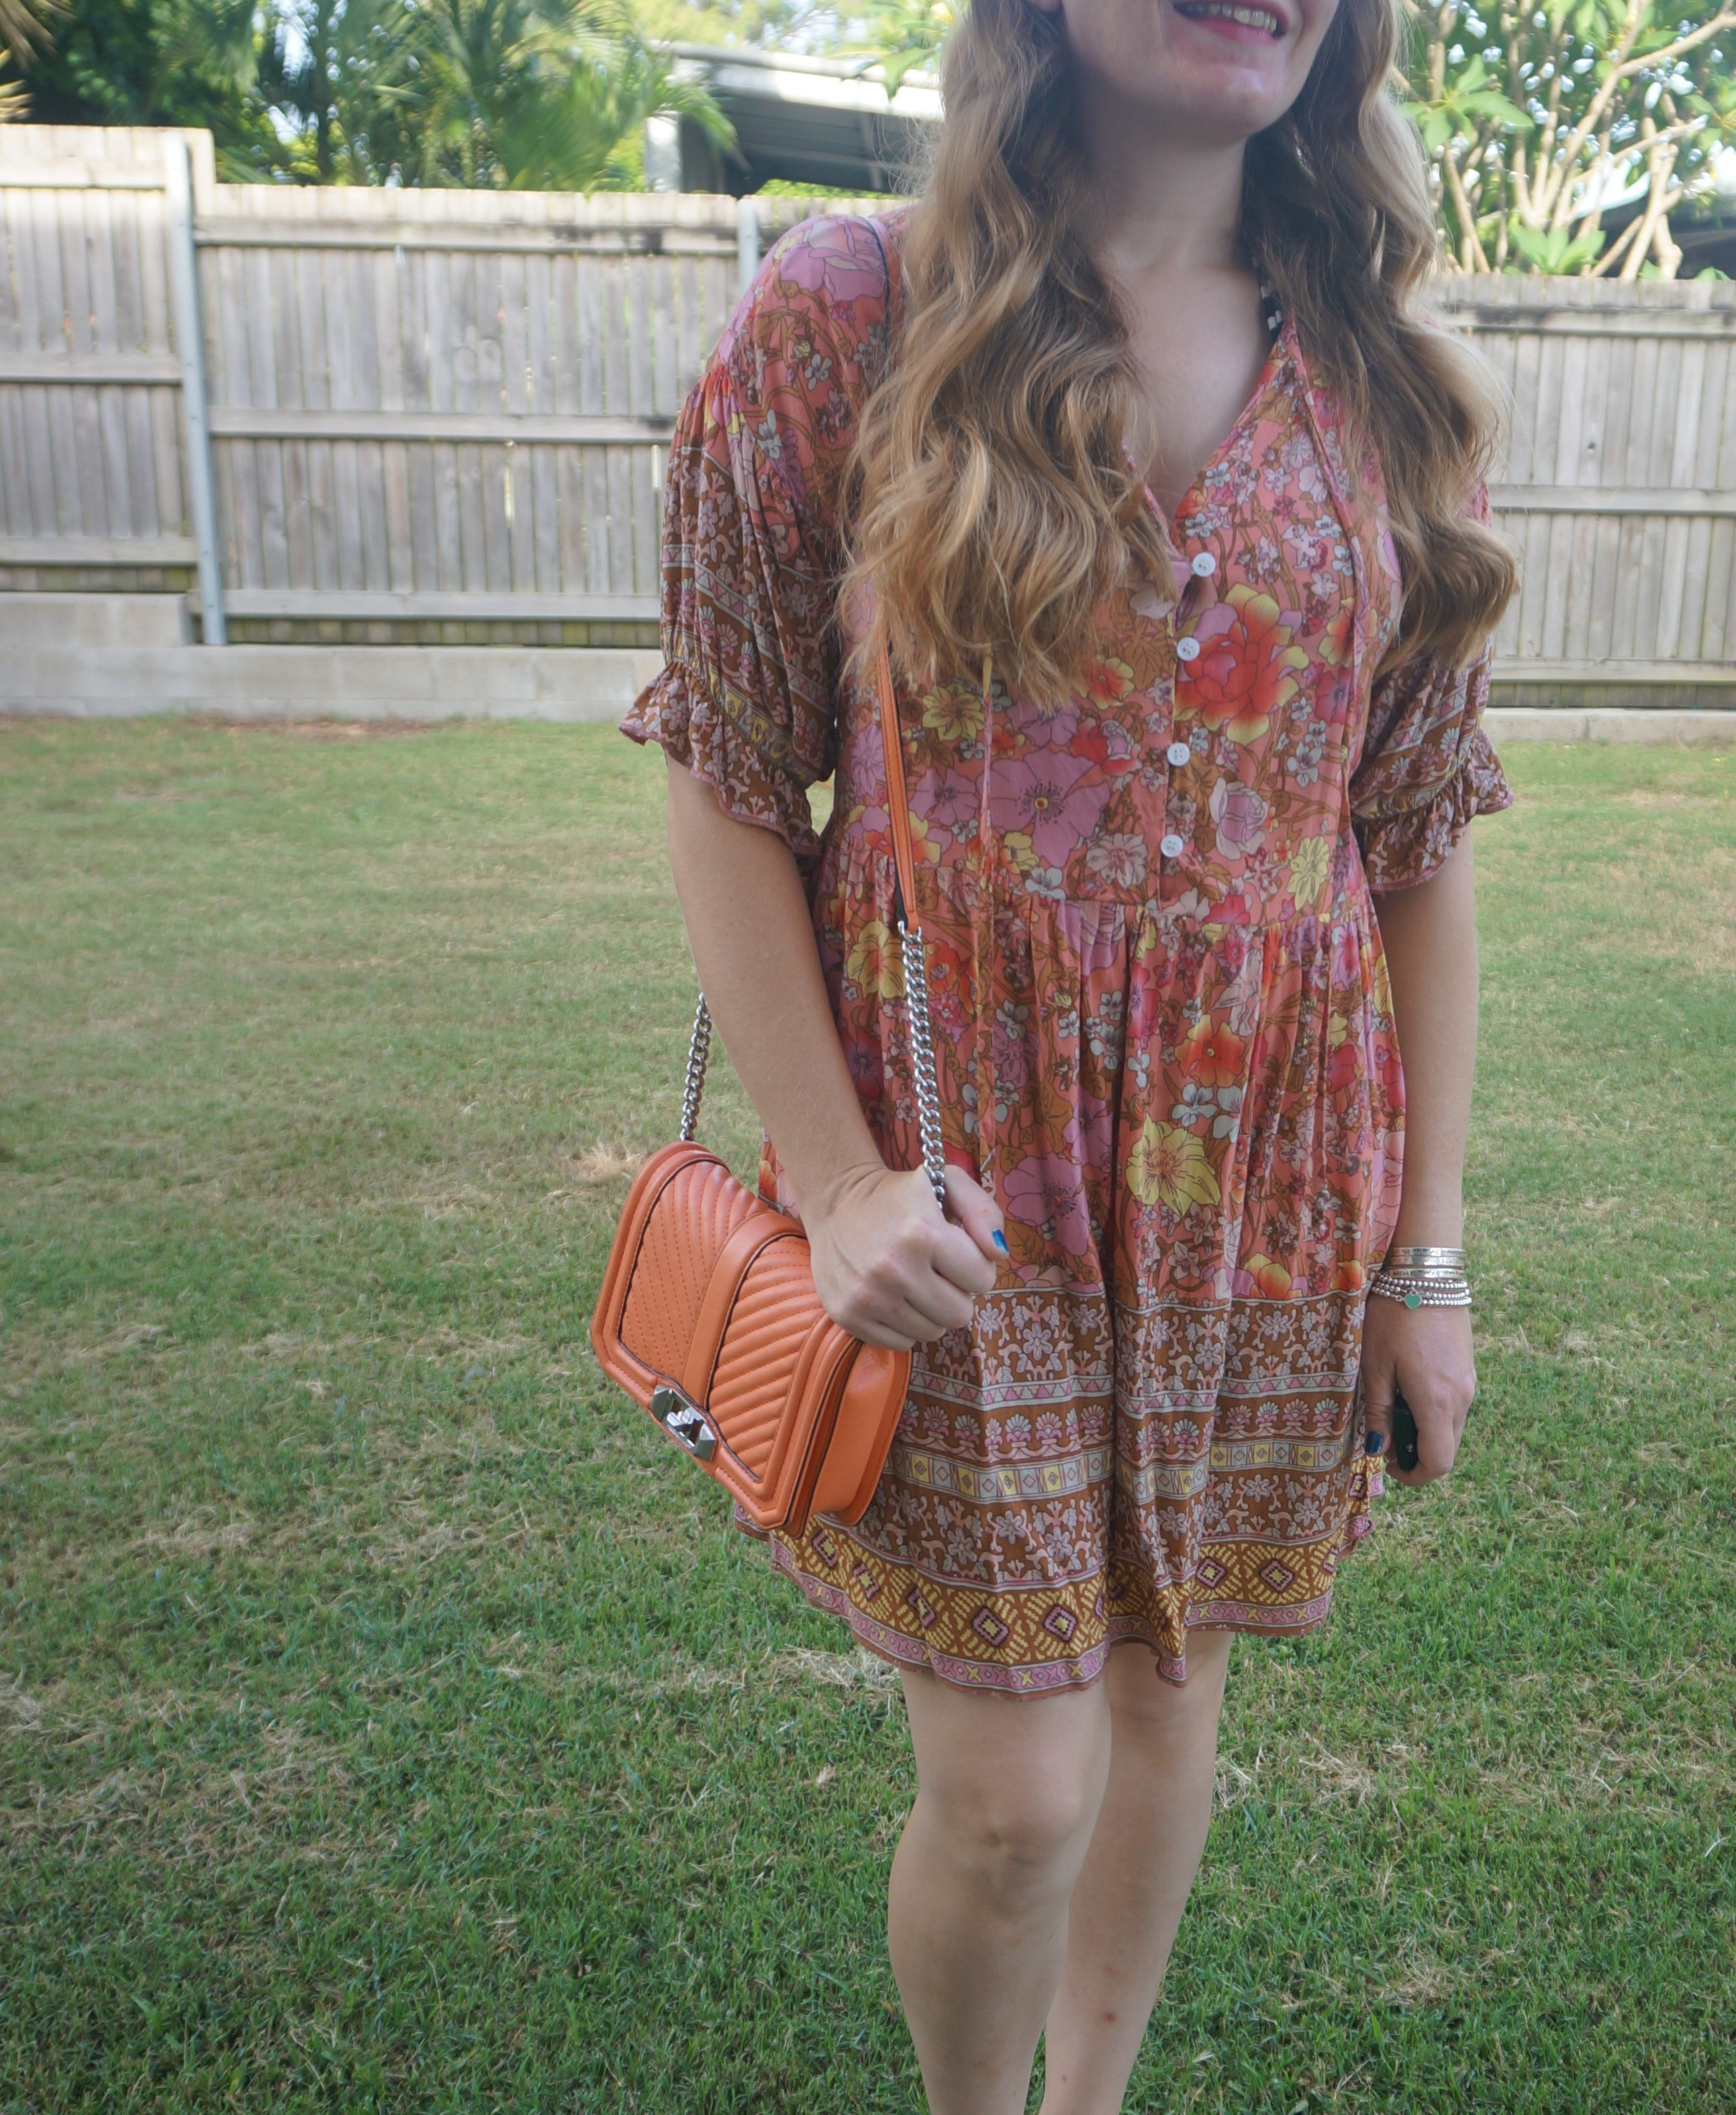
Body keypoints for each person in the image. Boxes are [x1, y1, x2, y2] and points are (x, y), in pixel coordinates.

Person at [622, 0, 1517, 2106]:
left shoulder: (1384, 377)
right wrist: (830, 1178)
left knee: (1170, 1683)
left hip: (1268, 1173)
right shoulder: (852, 315)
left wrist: (1433, 1259)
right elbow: (731, 774)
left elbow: (1415, 851)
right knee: (1019, 1785)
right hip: (967, 1177)